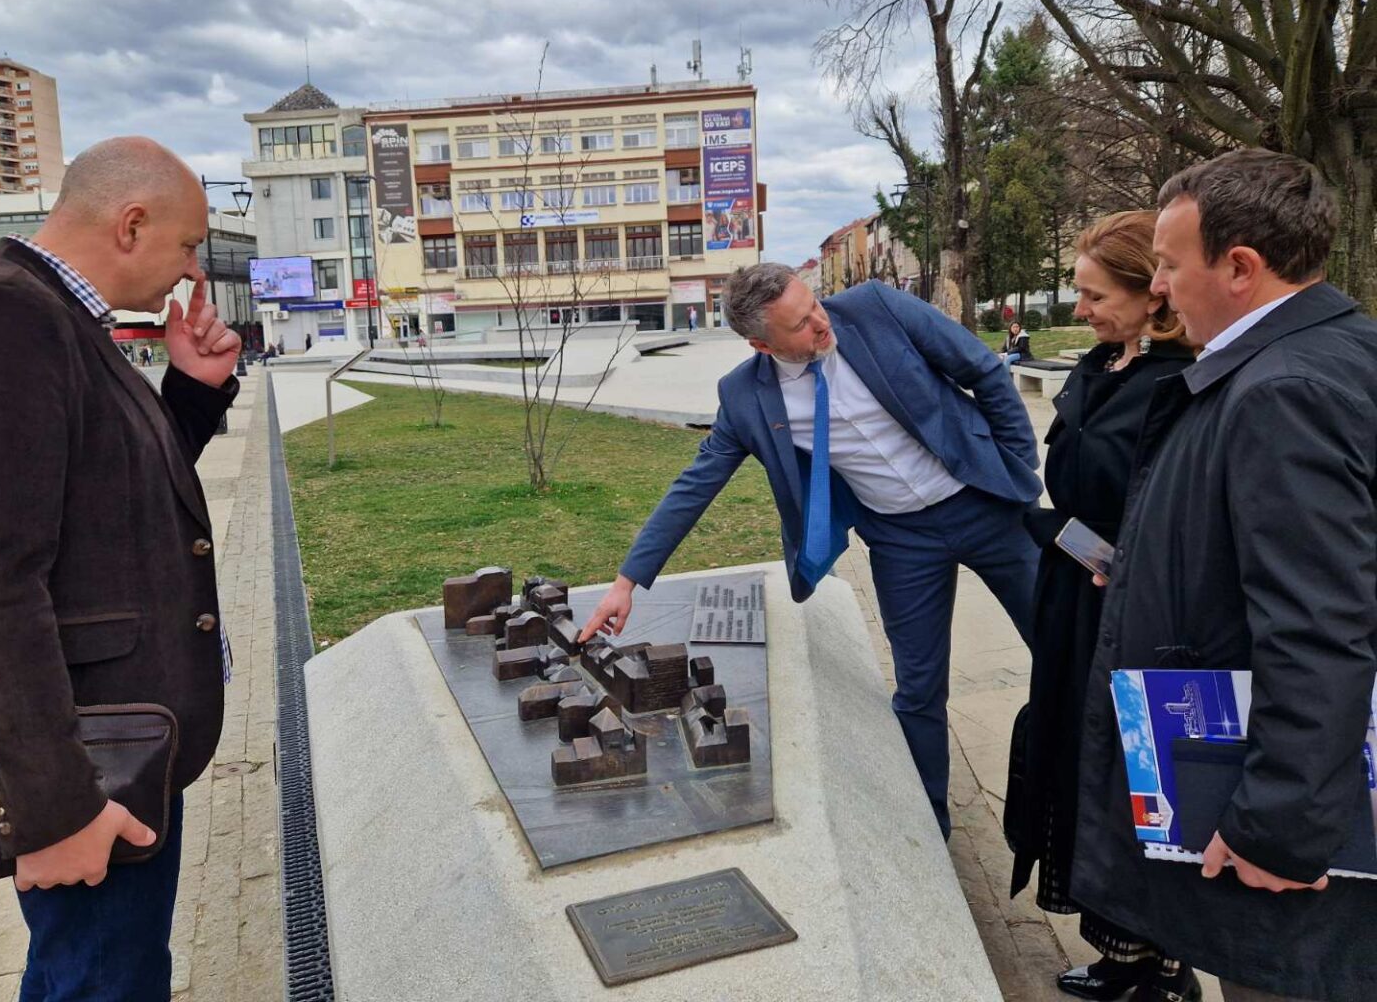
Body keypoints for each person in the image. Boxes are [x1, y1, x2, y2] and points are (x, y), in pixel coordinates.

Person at [0, 136, 241, 1001]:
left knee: (107, 970)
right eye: (188, 246)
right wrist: (58, 807)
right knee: (103, 981)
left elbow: (113, 506)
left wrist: (191, 392)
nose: (192, 273)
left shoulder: (62, 322)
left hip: (119, 742)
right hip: (84, 760)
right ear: (130, 223)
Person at [581, 262, 1042, 836]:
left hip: (983, 505)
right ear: (760, 343)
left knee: (1062, 646)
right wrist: (628, 581)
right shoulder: (746, 397)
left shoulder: (877, 309)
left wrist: (1020, 467)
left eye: (815, 306)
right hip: (902, 540)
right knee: (919, 689)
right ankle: (931, 832)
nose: (820, 324)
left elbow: (984, 371)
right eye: (800, 325)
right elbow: (696, 484)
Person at [1071, 149, 1377, 1002]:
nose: (1159, 288)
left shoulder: (1284, 391)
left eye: (1169, 265)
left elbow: (1319, 622)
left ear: (1239, 267)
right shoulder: (1324, 352)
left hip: (1288, 858)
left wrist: (1280, 827)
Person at [1005, 212, 1198, 1001]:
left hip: (1135, 614)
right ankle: (1122, 955)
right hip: (1071, 600)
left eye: (1093, 294)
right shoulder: (1097, 366)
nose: (1079, 310)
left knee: (1129, 776)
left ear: (1152, 296)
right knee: (1075, 764)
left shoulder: (1178, 386)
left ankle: (1162, 963)